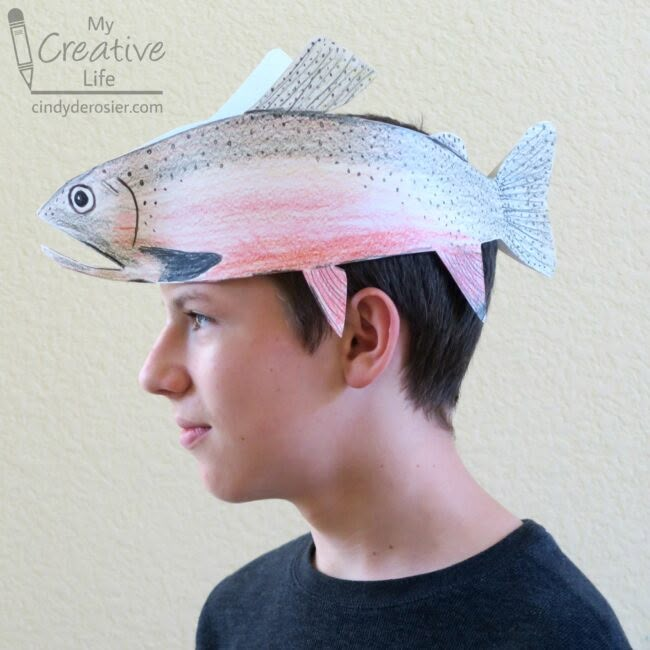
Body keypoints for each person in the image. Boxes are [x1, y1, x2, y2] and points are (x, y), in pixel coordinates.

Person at [137, 112, 632, 649]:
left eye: (200, 317)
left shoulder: (557, 634)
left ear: (361, 338)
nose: (155, 375)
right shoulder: (235, 616)